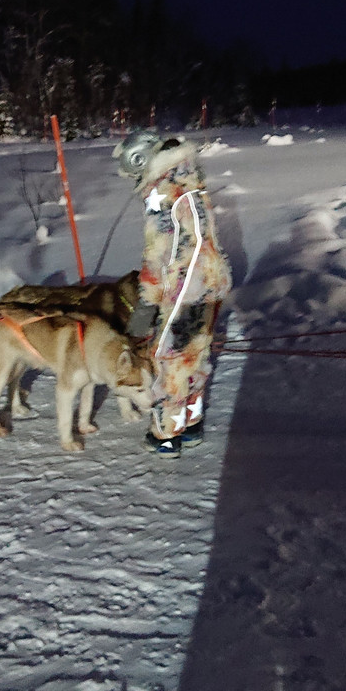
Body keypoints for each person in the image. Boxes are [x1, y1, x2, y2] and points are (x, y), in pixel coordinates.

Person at [112, 130, 232, 457]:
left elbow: (158, 253)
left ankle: (166, 434)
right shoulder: (191, 181)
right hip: (210, 281)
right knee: (195, 355)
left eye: (133, 172)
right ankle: (191, 423)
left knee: (170, 362)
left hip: (183, 289)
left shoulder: (161, 193)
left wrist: (146, 303)